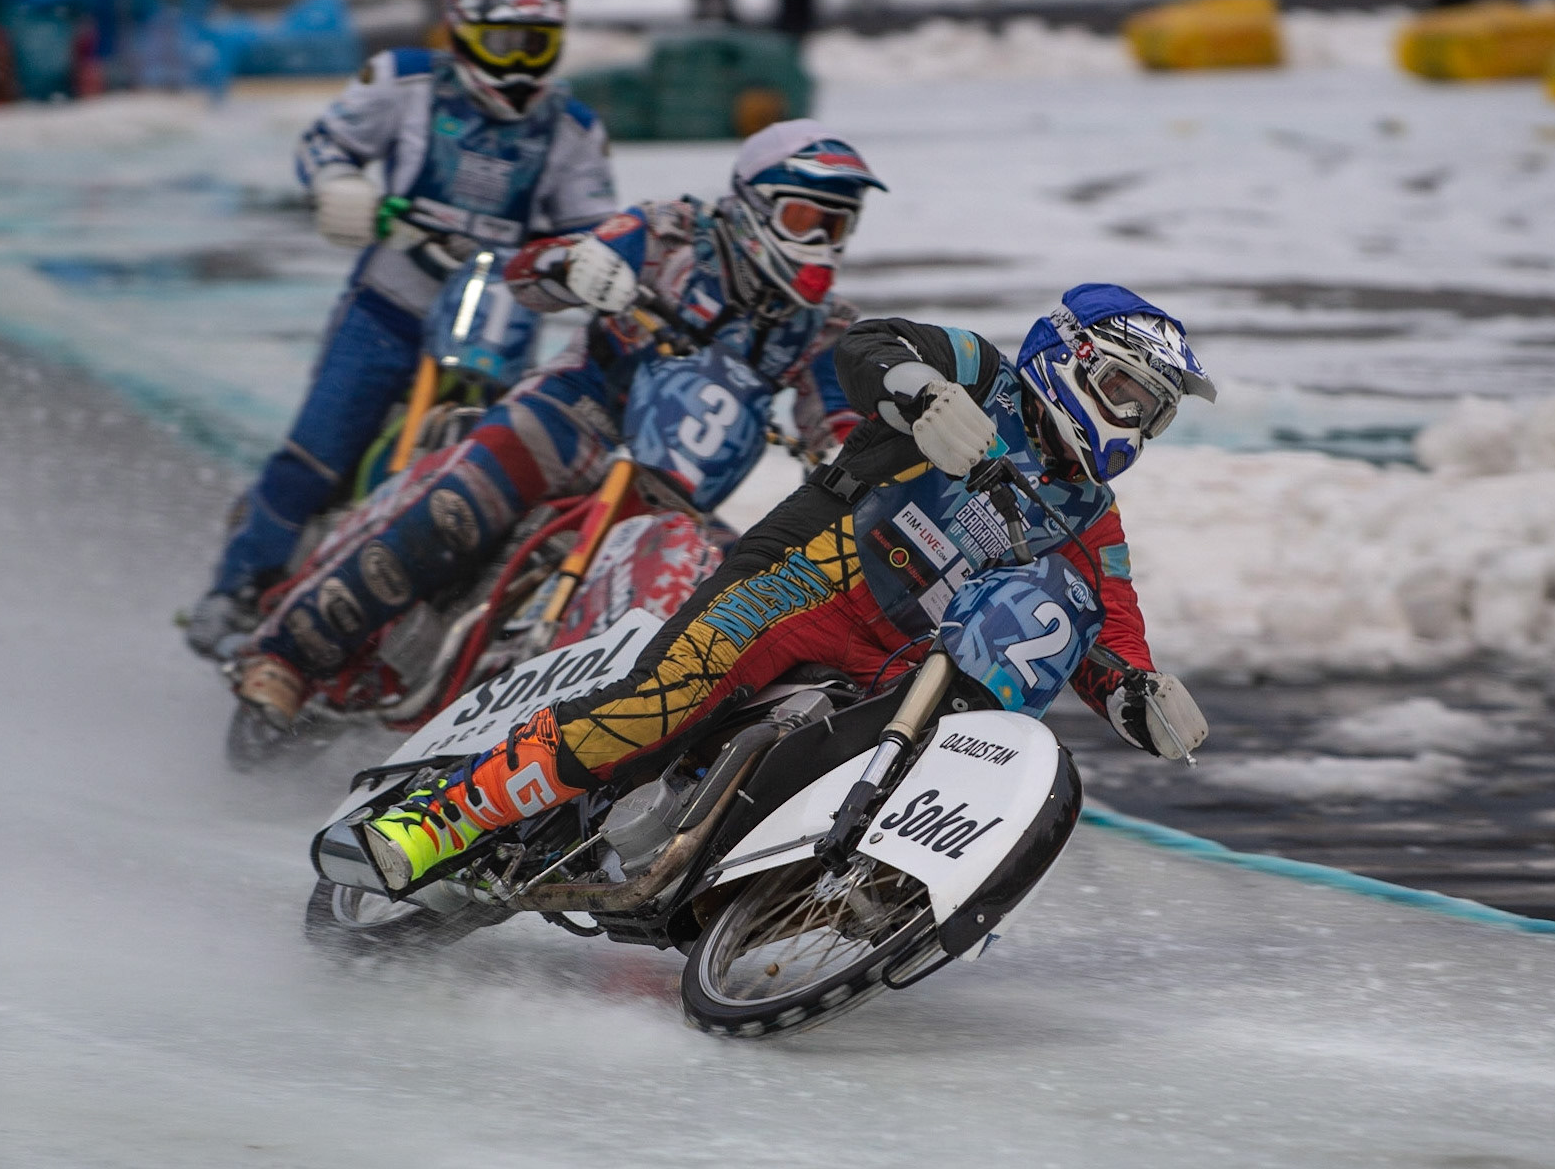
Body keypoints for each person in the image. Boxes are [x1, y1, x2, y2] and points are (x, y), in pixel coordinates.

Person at [354, 284, 1217, 893]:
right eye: (1124, 392)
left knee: (907, 768)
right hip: (801, 581)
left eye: (1151, 411)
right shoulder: (979, 372)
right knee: (661, 703)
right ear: (1068, 358)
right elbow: (869, 345)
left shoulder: (1091, 514)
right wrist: (920, 394)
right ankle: (444, 818)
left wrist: (1136, 690)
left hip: (898, 665)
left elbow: (1101, 620)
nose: (1132, 422)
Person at [229, 119, 886, 725]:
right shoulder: (669, 234)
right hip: (577, 413)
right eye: (806, 219)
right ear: (752, 204)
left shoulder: (824, 326)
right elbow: (526, 275)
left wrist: (869, 460)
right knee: (455, 509)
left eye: (837, 227)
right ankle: (287, 657)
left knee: (722, 588)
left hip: (676, 488)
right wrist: (573, 264)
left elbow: (840, 420)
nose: (821, 245)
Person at [184, 0, 617, 657]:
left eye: (535, 45)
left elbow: (593, 230)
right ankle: (236, 587)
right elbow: (326, 143)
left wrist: (594, 266)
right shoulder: (403, 81)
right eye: (505, 42)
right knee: (319, 450)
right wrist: (339, 186)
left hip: (500, 313)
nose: (519, 63)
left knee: (502, 472)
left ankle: (454, 622)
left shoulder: (572, 128)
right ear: (464, 32)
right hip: (392, 298)